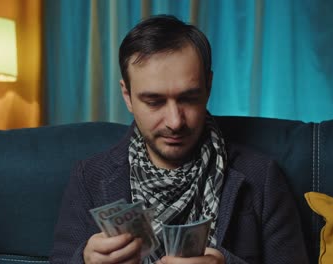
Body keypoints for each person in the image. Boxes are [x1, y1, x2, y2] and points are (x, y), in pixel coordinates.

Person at [50, 15, 309, 264]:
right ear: (127, 96)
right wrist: (84, 260)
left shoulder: (262, 177)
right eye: (154, 102)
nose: (175, 121)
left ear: (208, 86)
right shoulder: (89, 178)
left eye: (188, 98)